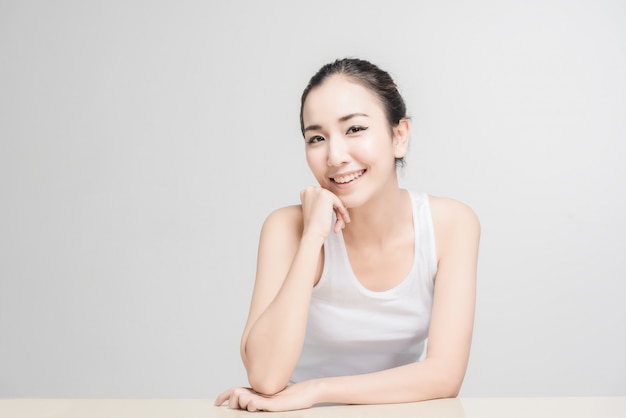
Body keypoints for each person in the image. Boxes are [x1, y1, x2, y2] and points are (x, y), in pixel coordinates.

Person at [215, 58, 480, 412]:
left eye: (354, 129)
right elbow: (264, 376)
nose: (335, 156)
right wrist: (313, 236)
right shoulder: (286, 228)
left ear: (398, 136)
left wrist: (315, 391)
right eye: (317, 138)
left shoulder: (451, 224)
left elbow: (445, 376)